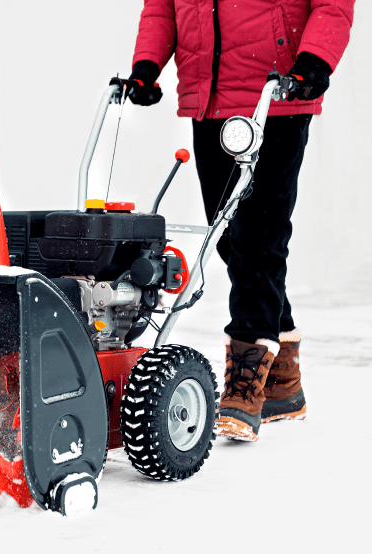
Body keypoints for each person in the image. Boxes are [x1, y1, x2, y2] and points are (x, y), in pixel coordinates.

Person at [128, 0, 354, 441]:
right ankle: (283, 383)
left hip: (278, 97)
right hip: (207, 100)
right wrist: (146, 66)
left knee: (258, 240)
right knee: (230, 239)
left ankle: (244, 383)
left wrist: (314, 61)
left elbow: (333, 6)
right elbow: (160, 9)